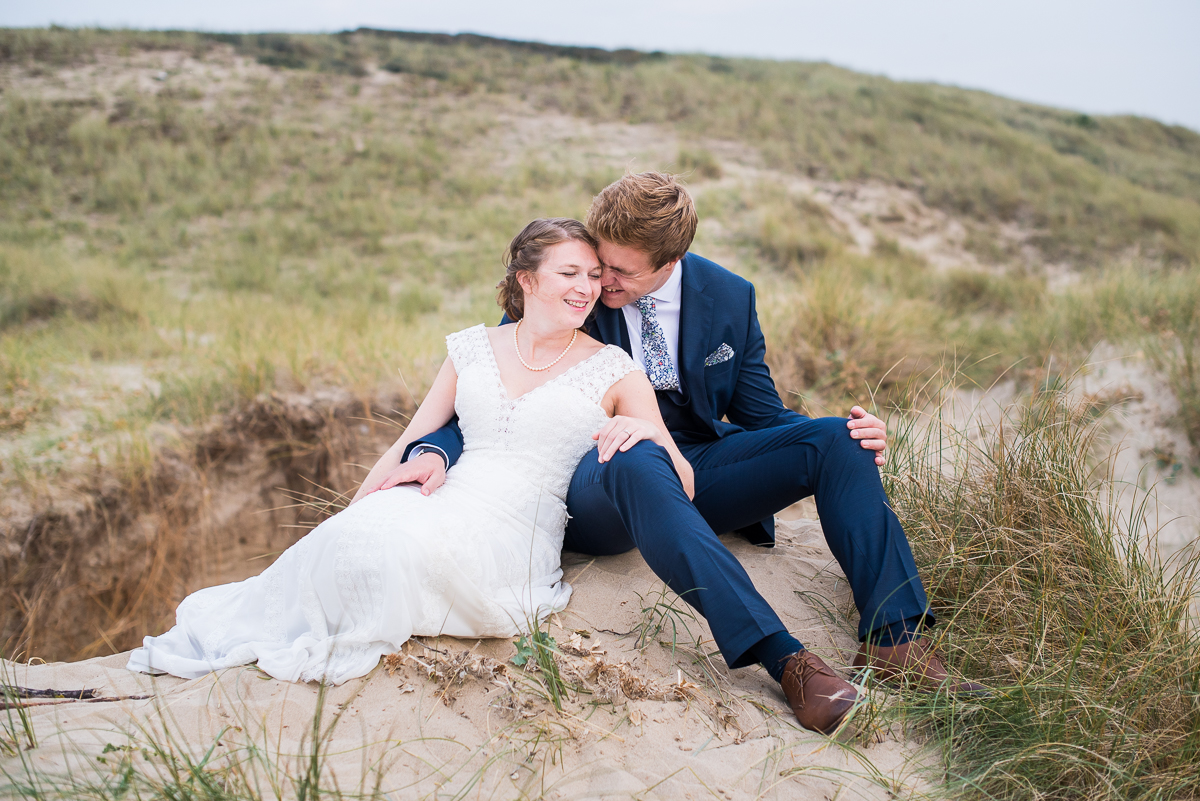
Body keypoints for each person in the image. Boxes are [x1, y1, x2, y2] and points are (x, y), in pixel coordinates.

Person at [400, 172, 984, 735]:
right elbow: (488, 395)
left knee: (837, 437)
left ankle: (895, 641)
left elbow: (763, 416)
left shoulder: (729, 295)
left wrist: (848, 437)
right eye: (599, 263)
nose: (600, 283)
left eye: (621, 272)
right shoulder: (571, 290)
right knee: (634, 451)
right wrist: (433, 451)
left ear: (669, 263)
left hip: (696, 471)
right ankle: (787, 661)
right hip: (598, 480)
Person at [128, 218, 693, 685]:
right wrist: (358, 506)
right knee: (355, 534)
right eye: (569, 272)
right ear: (527, 279)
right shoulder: (472, 347)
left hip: (516, 524)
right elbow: (411, 438)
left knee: (397, 556)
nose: (587, 287)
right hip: (445, 492)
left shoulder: (614, 368)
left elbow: (684, 485)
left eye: (593, 275)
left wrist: (649, 435)